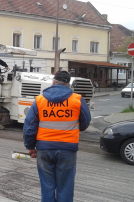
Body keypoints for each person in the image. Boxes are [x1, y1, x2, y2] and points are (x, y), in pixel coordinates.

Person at [23, 71, 91, 202]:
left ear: (53, 82)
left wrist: (30, 146)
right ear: (68, 84)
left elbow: (30, 126)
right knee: (65, 186)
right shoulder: (77, 99)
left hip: (44, 149)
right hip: (67, 149)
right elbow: (85, 123)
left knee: (47, 186)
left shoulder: (40, 100)